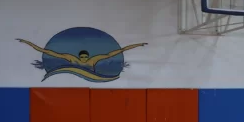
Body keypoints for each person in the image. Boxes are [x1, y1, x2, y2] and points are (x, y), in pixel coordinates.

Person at [16, 38, 147, 71]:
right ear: (79, 57)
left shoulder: (94, 60)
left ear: (88, 57)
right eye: (82, 57)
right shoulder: (71, 58)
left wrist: (138, 45)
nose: (84, 58)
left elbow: (119, 51)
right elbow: (47, 51)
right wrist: (27, 42)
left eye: (85, 57)